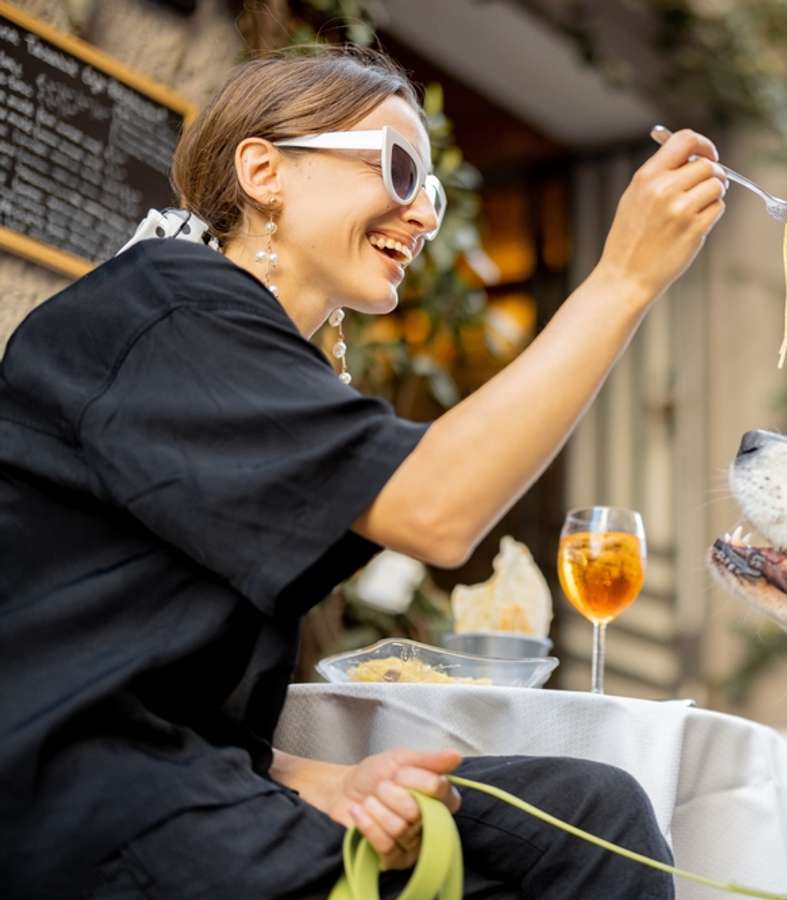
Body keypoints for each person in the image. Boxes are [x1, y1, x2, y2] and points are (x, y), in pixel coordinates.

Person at [0, 47, 726, 899]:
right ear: (264, 171)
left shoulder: (230, 348)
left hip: (183, 779)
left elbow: (157, 680)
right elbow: (436, 510)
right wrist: (625, 278)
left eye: (433, 191)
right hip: (86, 812)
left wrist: (327, 783)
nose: (421, 214)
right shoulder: (163, 307)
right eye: (400, 168)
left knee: (591, 809)